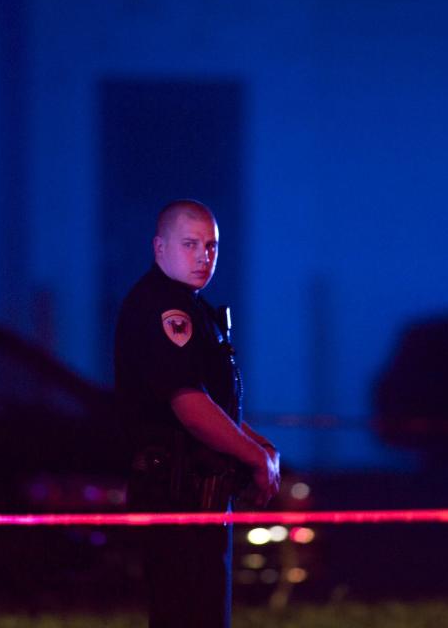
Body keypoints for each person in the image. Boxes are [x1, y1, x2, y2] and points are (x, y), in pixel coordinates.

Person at [114, 199, 280, 628]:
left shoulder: (192, 307)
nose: (204, 256)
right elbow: (188, 406)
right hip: (177, 494)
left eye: (211, 246)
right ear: (159, 248)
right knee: (187, 615)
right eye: (190, 244)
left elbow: (212, 402)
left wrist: (256, 444)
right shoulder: (163, 309)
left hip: (199, 494)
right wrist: (253, 457)